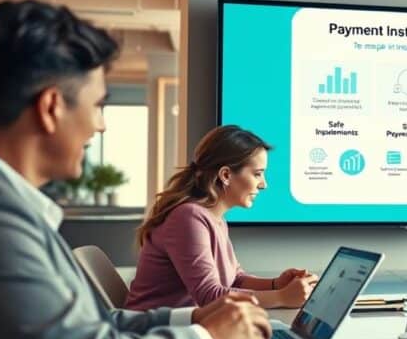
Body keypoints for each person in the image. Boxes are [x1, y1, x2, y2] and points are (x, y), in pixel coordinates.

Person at [0, 0, 271, 339]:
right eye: (98, 105)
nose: (100, 126)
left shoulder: (15, 210)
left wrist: (196, 320)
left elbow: (96, 328)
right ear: (50, 108)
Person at [126, 125, 317, 311]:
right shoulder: (188, 218)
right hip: (159, 333)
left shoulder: (214, 218)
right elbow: (209, 296)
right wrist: (282, 297)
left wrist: (277, 285)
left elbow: (235, 279)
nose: (263, 184)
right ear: (225, 175)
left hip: (187, 327)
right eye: (257, 174)